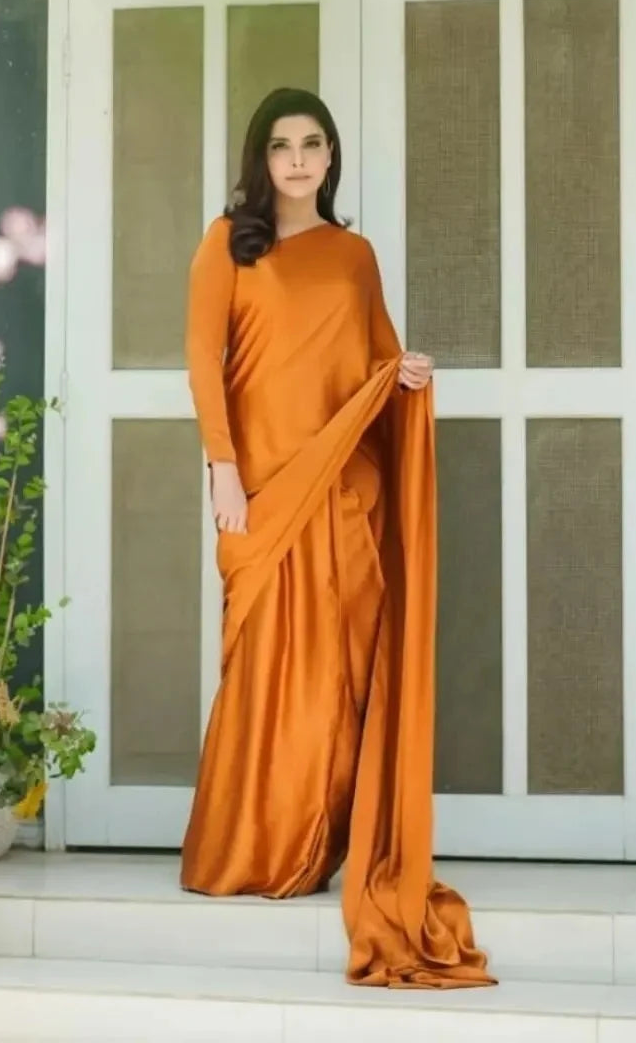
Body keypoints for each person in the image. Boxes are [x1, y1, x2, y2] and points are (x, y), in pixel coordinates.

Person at [179, 87, 495, 990]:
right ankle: (248, 849)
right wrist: (223, 468)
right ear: (260, 157)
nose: (298, 160)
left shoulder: (355, 256)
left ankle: (316, 845)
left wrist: (408, 374)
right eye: (281, 146)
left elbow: (375, 361)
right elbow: (205, 361)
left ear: (331, 155)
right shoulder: (229, 242)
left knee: (333, 678)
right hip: (266, 492)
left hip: (342, 492)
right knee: (265, 668)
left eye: (313, 144)